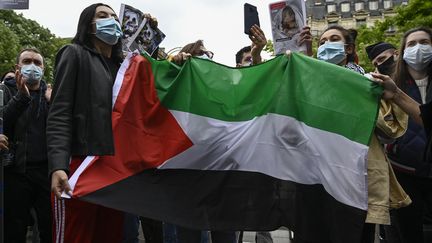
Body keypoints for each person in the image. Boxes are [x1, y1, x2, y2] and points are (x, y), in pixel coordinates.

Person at [314, 25, 411, 243]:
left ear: (348, 49)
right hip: (321, 176)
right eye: (322, 42)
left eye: (333, 39)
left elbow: (391, 130)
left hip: (358, 177)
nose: (327, 45)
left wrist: (360, 98)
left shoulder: (370, 83)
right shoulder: (311, 84)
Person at [47, 3, 126, 243]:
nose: (111, 20)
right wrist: (59, 165)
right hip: (80, 165)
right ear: (87, 25)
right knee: (75, 236)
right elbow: (60, 112)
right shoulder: (74, 53)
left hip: (115, 171)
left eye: (114, 17)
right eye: (102, 16)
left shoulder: (124, 69)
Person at [383, 27, 432, 243]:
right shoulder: (391, 83)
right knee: (408, 231)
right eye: (411, 44)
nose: (418, 48)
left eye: (425, 42)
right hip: (403, 171)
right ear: (402, 52)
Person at [2, 47, 52, 243]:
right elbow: (2, 121)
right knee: (14, 230)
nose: (33, 66)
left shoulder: (50, 95)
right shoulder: (5, 90)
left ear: (43, 68)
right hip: (16, 172)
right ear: (17, 67)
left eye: (37, 63)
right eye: (27, 61)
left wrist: (54, 102)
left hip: (46, 173)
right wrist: (21, 97)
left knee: (49, 228)